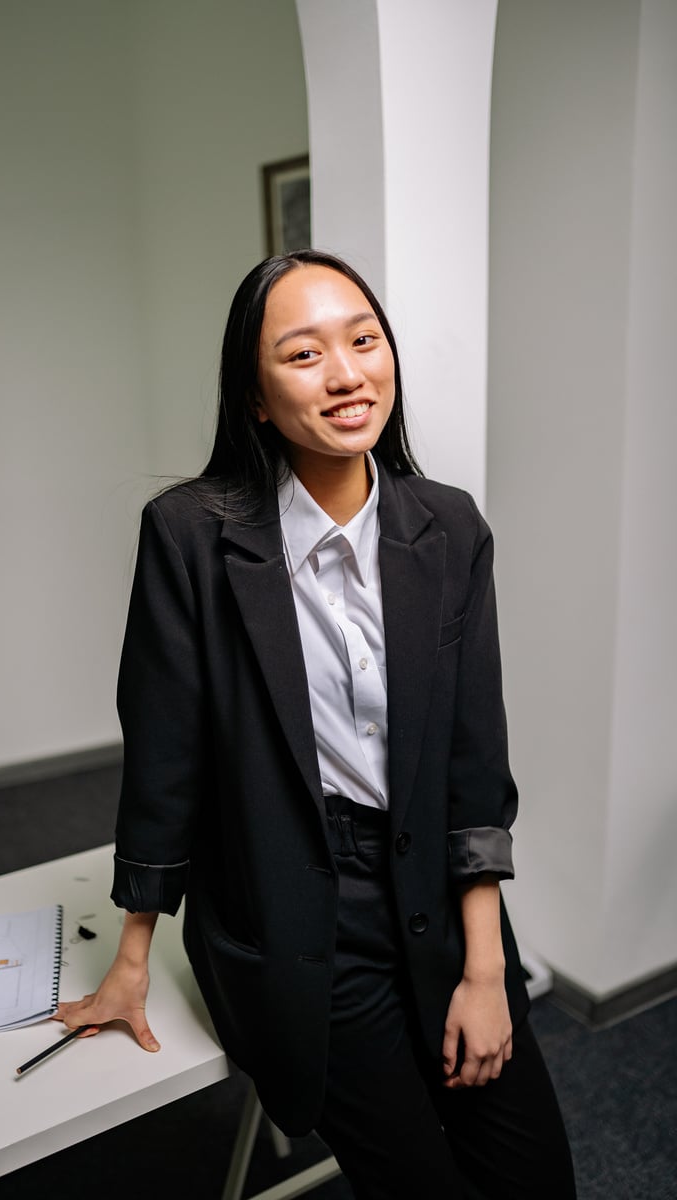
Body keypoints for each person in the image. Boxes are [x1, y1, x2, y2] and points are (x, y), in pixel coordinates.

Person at [56, 249, 576, 1199]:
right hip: (297, 911)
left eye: (364, 341)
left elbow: (474, 767)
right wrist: (133, 956)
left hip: (436, 892)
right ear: (255, 398)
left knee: (537, 1181)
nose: (346, 374)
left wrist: (489, 970)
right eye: (303, 355)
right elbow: (165, 761)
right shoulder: (191, 537)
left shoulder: (450, 529)